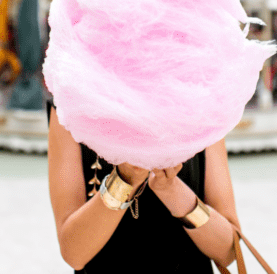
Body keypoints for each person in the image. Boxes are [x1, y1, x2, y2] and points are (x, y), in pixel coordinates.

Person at [48, 102, 240, 272]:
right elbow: (74, 254)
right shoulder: (71, 108)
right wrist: (124, 181)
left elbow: (228, 251)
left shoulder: (202, 107)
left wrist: (171, 189)